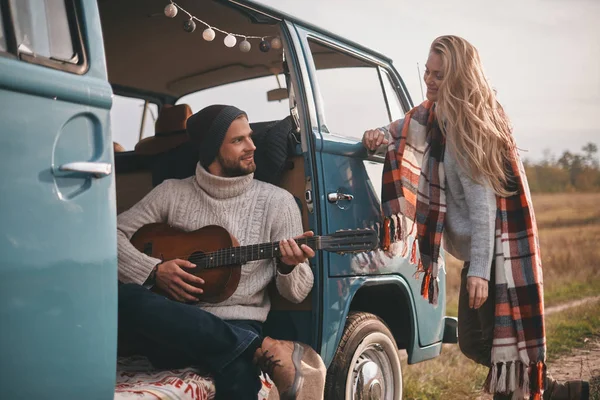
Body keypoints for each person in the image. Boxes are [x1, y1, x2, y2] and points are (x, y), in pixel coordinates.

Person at [362, 36, 589, 400]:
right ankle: (559, 392)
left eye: (439, 75)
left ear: (457, 77)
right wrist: (376, 135)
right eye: (427, 71)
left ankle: (546, 391)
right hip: (479, 255)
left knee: (481, 343)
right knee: (484, 344)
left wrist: (480, 271)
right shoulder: (435, 117)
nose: (429, 81)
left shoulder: (469, 129)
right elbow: (399, 131)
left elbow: (484, 207)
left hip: (495, 254)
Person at [117, 104, 326, 400]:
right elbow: (109, 236)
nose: (252, 146)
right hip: (173, 326)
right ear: (212, 148)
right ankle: (260, 349)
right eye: (238, 140)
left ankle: (244, 348)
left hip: (239, 323)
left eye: (250, 137)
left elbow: (297, 293)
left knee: (240, 380)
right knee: (126, 297)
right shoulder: (171, 193)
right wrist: (154, 270)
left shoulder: (277, 203)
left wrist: (289, 266)